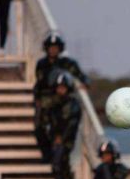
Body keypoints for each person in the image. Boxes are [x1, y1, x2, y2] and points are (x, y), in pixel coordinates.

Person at [33, 33, 89, 161]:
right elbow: (39, 84)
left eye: (56, 47)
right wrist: (37, 99)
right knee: (39, 128)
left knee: (63, 128)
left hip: (63, 101)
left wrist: (85, 83)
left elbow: (81, 75)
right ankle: (47, 155)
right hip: (46, 101)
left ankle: (59, 156)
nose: (53, 50)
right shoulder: (41, 64)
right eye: (51, 47)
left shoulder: (67, 63)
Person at [46, 71, 82, 179]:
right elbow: (49, 121)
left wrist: (62, 138)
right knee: (60, 166)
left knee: (61, 166)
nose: (61, 90)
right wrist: (53, 137)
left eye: (63, 87)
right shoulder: (53, 103)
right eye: (59, 87)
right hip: (55, 140)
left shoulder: (73, 104)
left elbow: (72, 124)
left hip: (66, 140)